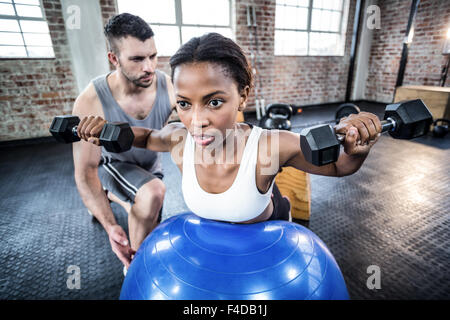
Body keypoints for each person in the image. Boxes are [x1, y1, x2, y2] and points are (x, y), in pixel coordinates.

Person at [77, 32, 381, 226]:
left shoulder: (271, 147)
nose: (197, 120)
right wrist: (106, 130)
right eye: (184, 104)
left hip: (268, 229)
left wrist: (358, 148)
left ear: (243, 96)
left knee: (281, 204)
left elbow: (340, 167)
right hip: (217, 245)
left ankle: (283, 204)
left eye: (214, 102)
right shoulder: (180, 140)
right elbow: (144, 136)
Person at [72, 13, 176, 270]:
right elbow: (85, 172)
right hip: (111, 164)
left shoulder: (167, 86)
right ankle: (133, 271)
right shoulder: (91, 100)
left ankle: (118, 199)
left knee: (150, 210)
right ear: (114, 59)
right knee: (152, 193)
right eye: (138, 59)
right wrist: (111, 226)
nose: (149, 67)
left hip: (151, 167)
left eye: (153, 56)